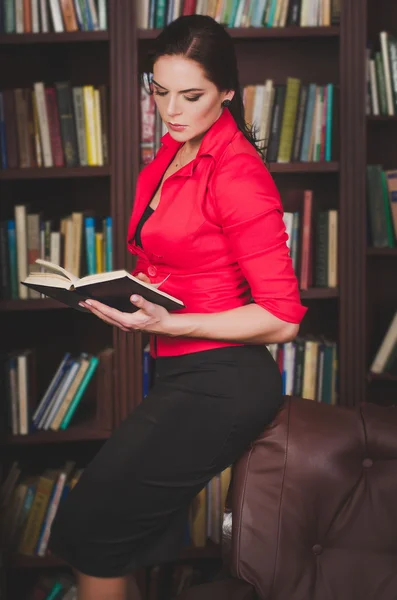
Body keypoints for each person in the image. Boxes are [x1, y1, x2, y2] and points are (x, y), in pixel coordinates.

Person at [48, 14, 307, 600]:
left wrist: (172, 320)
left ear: (227, 92)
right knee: (109, 535)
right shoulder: (169, 152)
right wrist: (111, 292)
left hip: (223, 378)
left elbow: (283, 318)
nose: (171, 109)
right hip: (178, 369)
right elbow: (173, 260)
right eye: (159, 91)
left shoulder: (238, 174)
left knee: (92, 533)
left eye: (191, 95)